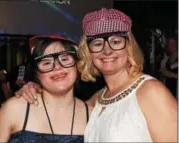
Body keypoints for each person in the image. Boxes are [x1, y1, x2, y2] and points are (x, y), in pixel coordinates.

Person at [15, 8, 177, 142]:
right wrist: (35, 89)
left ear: (128, 46)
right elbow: (57, 114)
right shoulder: (97, 99)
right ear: (88, 52)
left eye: (115, 41)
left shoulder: (151, 92)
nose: (107, 50)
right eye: (98, 43)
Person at [0, 35, 93, 143]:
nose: (57, 67)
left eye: (64, 59)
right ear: (37, 74)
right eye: (46, 63)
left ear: (77, 65)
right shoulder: (14, 109)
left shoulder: (93, 116)